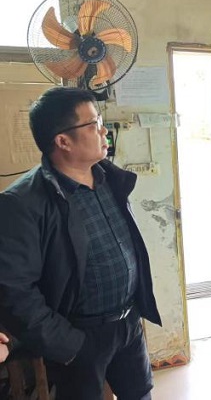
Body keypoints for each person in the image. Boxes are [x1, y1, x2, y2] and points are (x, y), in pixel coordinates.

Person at [0, 87, 161, 400]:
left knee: (140, 393)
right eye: (93, 124)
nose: (103, 130)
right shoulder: (22, 203)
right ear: (63, 141)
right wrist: (69, 345)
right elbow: (15, 292)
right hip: (79, 335)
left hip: (127, 323)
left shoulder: (108, 178)